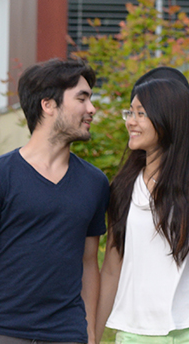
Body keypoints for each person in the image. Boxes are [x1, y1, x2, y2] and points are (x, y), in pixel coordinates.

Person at [0, 58, 107, 344]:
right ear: (48, 105)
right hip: (2, 332)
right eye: (82, 98)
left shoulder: (95, 183)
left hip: (67, 334)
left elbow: (89, 263)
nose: (92, 109)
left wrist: (89, 335)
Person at [94, 74, 189, 343]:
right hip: (136, 333)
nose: (130, 122)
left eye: (140, 113)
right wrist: (93, 336)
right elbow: (112, 268)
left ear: (167, 119)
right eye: (130, 112)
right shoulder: (123, 188)